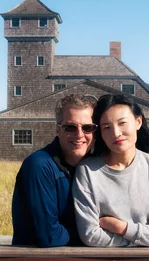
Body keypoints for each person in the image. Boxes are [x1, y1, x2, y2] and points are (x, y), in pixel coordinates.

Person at [73, 93, 149, 247]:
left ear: (138, 122)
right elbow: (90, 235)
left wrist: (121, 228)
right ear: (101, 133)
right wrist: (146, 240)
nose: (116, 133)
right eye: (107, 127)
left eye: (122, 123)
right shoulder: (88, 172)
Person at [11, 94, 97, 247]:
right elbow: (50, 236)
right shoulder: (39, 165)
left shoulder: (96, 165)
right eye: (70, 127)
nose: (79, 134)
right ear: (58, 129)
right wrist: (95, 232)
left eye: (87, 127)